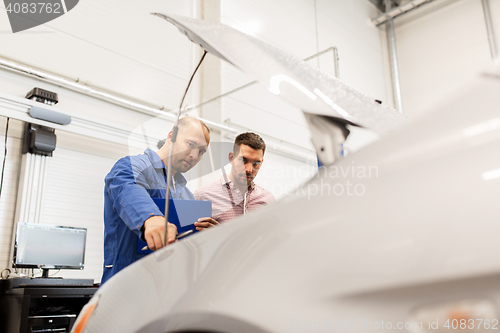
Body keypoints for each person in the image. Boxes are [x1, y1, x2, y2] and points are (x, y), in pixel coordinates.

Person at [101, 116, 210, 285]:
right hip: (126, 284)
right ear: (171, 136)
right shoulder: (132, 166)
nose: (194, 155)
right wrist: (151, 219)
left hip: (168, 287)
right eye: (191, 144)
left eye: (201, 151)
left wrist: (209, 236)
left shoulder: (187, 194)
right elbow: (130, 189)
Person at [194, 132, 275, 229]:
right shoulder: (203, 195)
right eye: (243, 160)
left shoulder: (268, 200)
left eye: (256, 163)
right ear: (231, 158)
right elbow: (186, 240)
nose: (249, 169)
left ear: (261, 163)